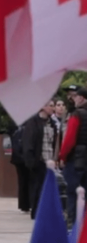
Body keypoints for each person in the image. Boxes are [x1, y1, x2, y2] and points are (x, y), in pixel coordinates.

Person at [22, 99, 58, 220]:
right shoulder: (33, 123)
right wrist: (31, 161)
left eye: (53, 106)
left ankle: (46, 213)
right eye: (50, 106)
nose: (53, 108)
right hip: (39, 161)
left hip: (50, 161)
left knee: (49, 188)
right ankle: (36, 213)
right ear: (43, 107)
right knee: (37, 188)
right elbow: (28, 143)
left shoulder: (52, 123)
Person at [60, 88, 87, 225]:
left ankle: (73, 222)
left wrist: (62, 157)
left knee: (72, 191)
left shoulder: (77, 114)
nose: (73, 100)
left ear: (81, 98)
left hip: (76, 159)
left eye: (76, 97)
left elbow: (70, 139)